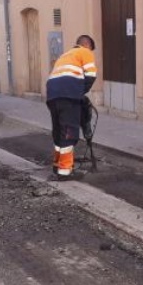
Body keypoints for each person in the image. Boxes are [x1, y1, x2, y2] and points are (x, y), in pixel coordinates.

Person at [46, 35, 98, 181]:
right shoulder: (85, 52)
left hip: (52, 95)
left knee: (58, 131)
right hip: (68, 95)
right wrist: (80, 92)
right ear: (87, 45)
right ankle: (65, 171)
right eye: (91, 49)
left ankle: (57, 165)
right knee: (69, 131)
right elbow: (91, 75)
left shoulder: (65, 55)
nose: (91, 52)